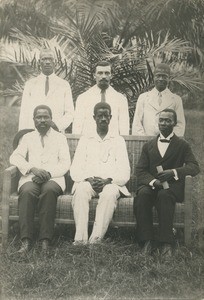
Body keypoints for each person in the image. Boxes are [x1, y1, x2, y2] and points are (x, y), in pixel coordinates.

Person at [134, 108, 199, 257]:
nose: (164, 123)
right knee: (142, 195)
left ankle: (166, 243)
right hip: (152, 185)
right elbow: (140, 170)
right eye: (161, 120)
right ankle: (146, 241)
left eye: (168, 120)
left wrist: (174, 172)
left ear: (174, 123)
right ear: (158, 122)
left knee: (165, 195)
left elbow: (194, 167)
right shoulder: (149, 145)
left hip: (172, 187)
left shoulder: (182, 145)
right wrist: (153, 181)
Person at [10, 105, 71, 255]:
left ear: (51, 119)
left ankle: (45, 241)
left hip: (54, 178)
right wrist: (32, 168)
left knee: (49, 191)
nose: (42, 120)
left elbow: (65, 163)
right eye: (39, 117)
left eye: (46, 117)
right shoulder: (27, 137)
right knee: (27, 192)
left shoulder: (60, 138)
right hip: (32, 176)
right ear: (33, 120)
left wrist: (48, 173)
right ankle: (26, 241)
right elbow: (15, 157)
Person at [70, 102, 130, 245]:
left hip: (111, 183)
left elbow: (125, 171)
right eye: (100, 116)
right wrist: (89, 179)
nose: (103, 119)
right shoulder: (86, 139)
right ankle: (80, 239)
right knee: (81, 190)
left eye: (106, 116)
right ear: (94, 118)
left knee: (109, 194)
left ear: (110, 117)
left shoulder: (118, 140)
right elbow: (75, 168)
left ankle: (96, 240)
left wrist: (107, 180)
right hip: (88, 181)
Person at [18, 48, 74, 133]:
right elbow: (24, 113)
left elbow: (70, 113)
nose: (47, 62)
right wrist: (23, 135)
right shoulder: (30, 84)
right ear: (39, 62)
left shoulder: (64, 85)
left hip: (56, 133)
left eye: (50, 59)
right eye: (44, 59)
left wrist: (57, 126)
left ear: (55, 62)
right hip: (33, 132)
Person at [72, 61, 130, 136]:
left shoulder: (121, 99)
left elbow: (124, 128)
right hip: (89, 142)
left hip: (113, 143)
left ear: (111, 75)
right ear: (94, 75)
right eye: (100, 73)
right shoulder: (83, 98)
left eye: (107, 73)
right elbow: (77, 127)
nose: (103, 76)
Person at [132, 63, 185, 136]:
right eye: (158, 76)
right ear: (154, 77)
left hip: (168, 143)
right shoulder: (143, 98)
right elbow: (137, 123)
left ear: (169, 78)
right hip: (146, 141)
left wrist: (170, 140)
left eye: (164, 76)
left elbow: (180, 125)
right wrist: (143, 141)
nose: (161, 79)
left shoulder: (176, 99)